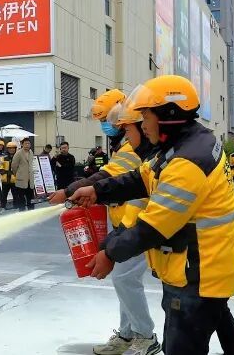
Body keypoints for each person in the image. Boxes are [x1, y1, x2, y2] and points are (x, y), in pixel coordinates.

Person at [70, 76, 234, 355]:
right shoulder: (185, 145)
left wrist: (109, 253)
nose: (142, 124)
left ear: (168, 115)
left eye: (146, 116)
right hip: (209, 267)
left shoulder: (187, 162)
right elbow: (141, 178)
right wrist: (97, 191)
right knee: (219, 317)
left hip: (197, 275)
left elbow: (153, 227)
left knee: (180, 347)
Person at [53, 101, 160, 355]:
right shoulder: (127, 146)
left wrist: (70, 191)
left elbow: (108, 178)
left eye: (109, 120)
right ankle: (128, 334)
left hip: (138, 226)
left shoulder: (132, 149)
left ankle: (145, 336)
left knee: (124, 279)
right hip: (128, 225)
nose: (108, 125)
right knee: (125, 280)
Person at [11, 138, 36, 210]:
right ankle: (22, 212)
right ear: (22, 144)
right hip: (21, 180)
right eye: (26, 143)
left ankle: (31, 211)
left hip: (30, 180)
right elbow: (14, 166)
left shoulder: (31, 152)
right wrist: (18, 174)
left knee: (31, 198)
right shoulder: (18, 153)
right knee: (21, 199)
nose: (27, 145)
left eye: (29, 143)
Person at [0, 140, 17, 210]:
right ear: (7, 149)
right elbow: (0, 169)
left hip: (14, 180)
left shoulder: (18, 158)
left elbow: (20, 169)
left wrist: (10, 172)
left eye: (13, 148)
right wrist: (9, 172)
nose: (12, 149)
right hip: (5, 180)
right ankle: (3, 207)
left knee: (16, 195)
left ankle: (16, 207)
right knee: (4, 195)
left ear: (15, 149)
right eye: (10, 148)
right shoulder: (3, 158)